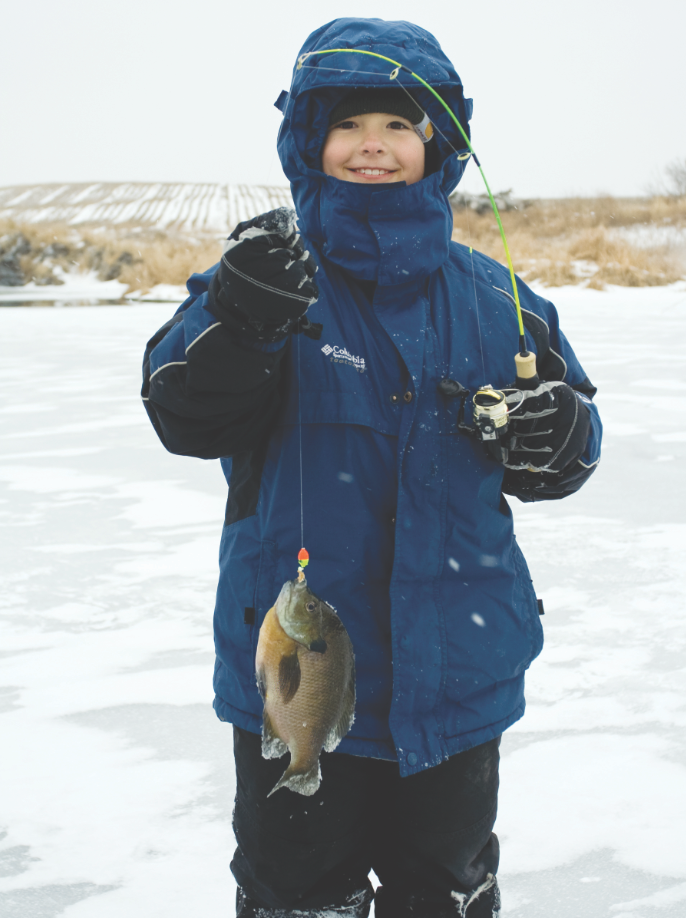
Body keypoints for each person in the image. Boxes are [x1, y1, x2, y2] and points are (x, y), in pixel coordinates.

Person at [141, 17, 602, 918]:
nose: (374, 147)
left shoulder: (503, 300)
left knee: (448, 894)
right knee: (296, 896)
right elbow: (184, 413)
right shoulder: (261, 273)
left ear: (438, 146)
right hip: (295, 680)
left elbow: (571, 449)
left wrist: (561, 435)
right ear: (312, 139)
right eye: (350, 125)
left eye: (400, 126)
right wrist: (241, 322)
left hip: (460, 678)